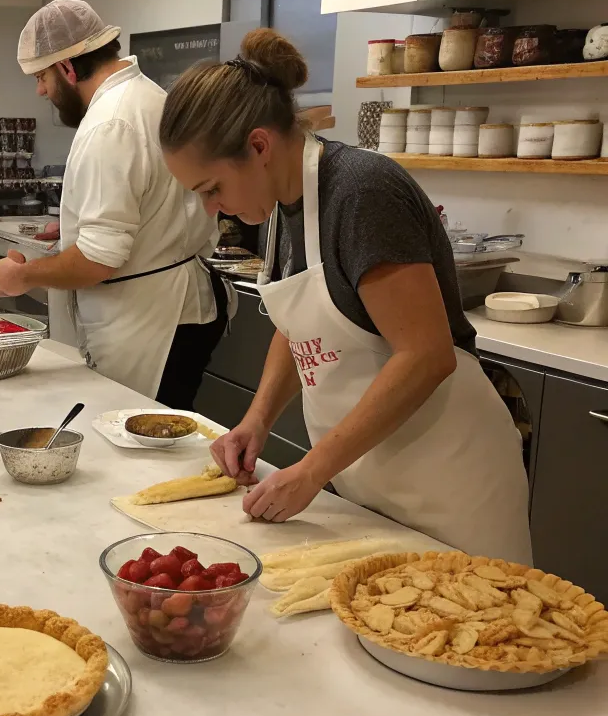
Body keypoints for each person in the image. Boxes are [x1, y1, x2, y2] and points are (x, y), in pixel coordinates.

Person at [158, 28, 532, 564]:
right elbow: (299, 330)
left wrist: (313, 468)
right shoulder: (282, 206)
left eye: (211, 189)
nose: (211, 210)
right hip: (372, 472)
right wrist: (256, 420)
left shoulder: (361, 193)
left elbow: (426, 356)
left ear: (259, 146)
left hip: (449, 478)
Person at [0, 0, 226, 409]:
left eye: (41, 77)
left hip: (150, 322)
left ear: (68, 68)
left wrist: (25, 276)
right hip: (171, 308)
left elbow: (98, 259)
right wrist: (74, 226)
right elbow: (148, 204)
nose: (40, 90)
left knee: (138, 442)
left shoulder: (110, 124)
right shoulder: (146, 96)